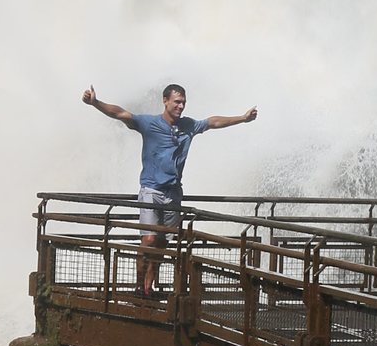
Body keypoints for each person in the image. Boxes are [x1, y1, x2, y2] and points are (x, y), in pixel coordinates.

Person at [82, 81, 258, 298]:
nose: (181, 106)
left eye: (183, 102)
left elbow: (212, 122)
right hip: (151, 191)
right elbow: (121, 114)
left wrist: (242, 118)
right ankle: (138, 286)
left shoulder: (188, 126)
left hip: (173, 193)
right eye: (177, 102)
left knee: (163, 244)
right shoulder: (149, 123)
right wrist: (95, 102)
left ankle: (148, 287)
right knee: (149, 240)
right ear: (165, 101)